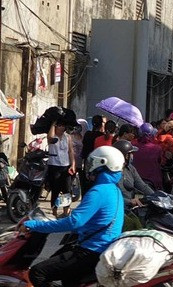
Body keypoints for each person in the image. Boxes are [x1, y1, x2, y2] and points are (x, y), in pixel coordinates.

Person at [22, 146, 125, 287]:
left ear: (102, 163)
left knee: (37, 273)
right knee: (67, 276)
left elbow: (73, 222)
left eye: (92, 163)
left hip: (91, 251)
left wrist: (34, 225)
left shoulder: (98, 192)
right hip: (101, 248)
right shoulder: (114, 190)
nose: (89, 167)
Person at [47, 120, 76, 218]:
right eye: (60, 126)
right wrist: (53, 124)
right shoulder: (52, 137)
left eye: (63, 126)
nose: (62, 128)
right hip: (54, 166)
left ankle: (66, 212)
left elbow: (71, 151)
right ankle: (54, 211)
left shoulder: (67, 137)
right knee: (55, 190)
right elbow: (50, 138)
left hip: (65, 166)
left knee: (67, 190)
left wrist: (73, 164)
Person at [114, 140, 154, 208]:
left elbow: (142, 186)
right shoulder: (113, 172)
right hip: (118, 207)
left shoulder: (130, 168)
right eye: (131, 153)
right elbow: (112, 196)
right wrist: (129, 201)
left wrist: (155, 196)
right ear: (126, 155)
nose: (132, 156)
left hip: (130, 209)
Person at [132, 122, 163, 191]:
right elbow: (160, 162)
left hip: (134, 180)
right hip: (152, 181)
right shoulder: (157, 148)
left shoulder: (133, 145)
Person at [80, 115, 105, 195]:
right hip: (97, 163)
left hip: (86, 162)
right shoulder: (101, 137)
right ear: (101, 124)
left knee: (85, 187)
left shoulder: (87, 134)